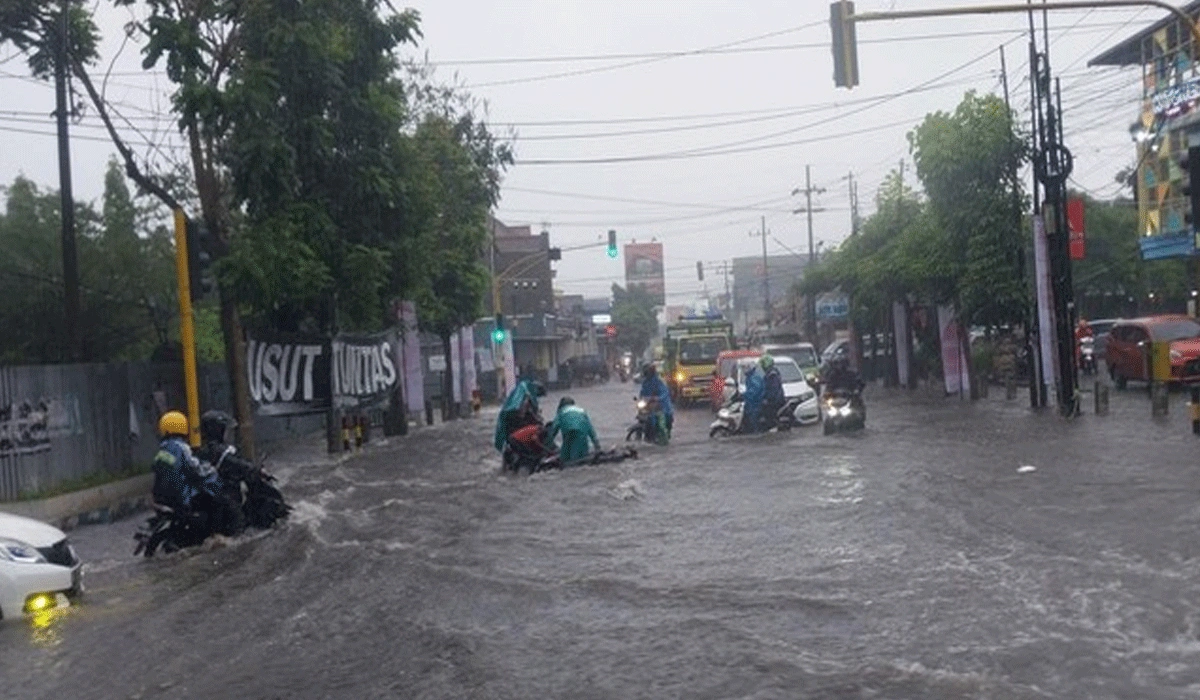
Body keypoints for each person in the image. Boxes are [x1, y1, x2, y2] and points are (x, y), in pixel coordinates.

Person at [195, 410, 289, 531]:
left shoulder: (204, 450)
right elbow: (238, 464)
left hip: (212, 498)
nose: (227, 434)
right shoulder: (219, 451)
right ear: (217, 430)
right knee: (238, 527)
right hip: (224, 500)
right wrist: (256, 470)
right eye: (224, 429)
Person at [151, 410, 239, 536]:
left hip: (161, 497)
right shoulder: (181, 447)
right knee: (218, 502)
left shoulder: (163, 449)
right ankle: (216, 534)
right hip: (182, 496)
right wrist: (211, 470)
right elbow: (195, 467)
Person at [494, 379, 546, 452]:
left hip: (515, 429)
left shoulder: (522, 393)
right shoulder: (525, 397)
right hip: (516, 429)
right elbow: (522, 414)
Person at [547, 397, 602, 464]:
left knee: (565, 458)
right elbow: (590, 429)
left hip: (568, 433)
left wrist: (548, 443)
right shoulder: (582, 411)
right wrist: (597, 446)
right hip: (582, 434)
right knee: (582, 455)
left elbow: (554, 429)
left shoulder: (561, 412)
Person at [639, 364, 674, 439]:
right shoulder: (645, 382)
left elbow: (664, 392)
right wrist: (640, 399)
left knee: (658, 420)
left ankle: (660, 434)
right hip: (649, 404)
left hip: (661, 405)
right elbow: (642, 392)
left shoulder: (659, 381)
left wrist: (657, 398)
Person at [760, 355, 785, 431]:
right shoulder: (770, 374)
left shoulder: (772, 375)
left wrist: (767, 399)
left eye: (763, 364)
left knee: (769, 415)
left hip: (774, 401)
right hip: (774, 399)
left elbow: (773, 389)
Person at [742, 364, 765, 433]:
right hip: (751, 404)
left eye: (745, 367)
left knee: (753, 420)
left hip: (756, 404)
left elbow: (754, 391)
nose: (744, 370)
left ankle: (756, 433)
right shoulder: (750, 377)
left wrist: (744, 395)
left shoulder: (754, 377)